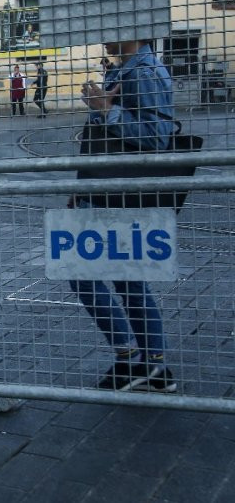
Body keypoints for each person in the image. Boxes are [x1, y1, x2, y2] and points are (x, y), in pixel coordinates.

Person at [73, 38, 177, 392]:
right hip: (104, 192)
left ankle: (134, 357)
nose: (103, 34)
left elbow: (157, 137)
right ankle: (152, 365)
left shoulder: (144, 72)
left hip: (120, 196)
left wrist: (107, 110)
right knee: (124, 278)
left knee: (84, 273)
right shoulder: (125, 69)